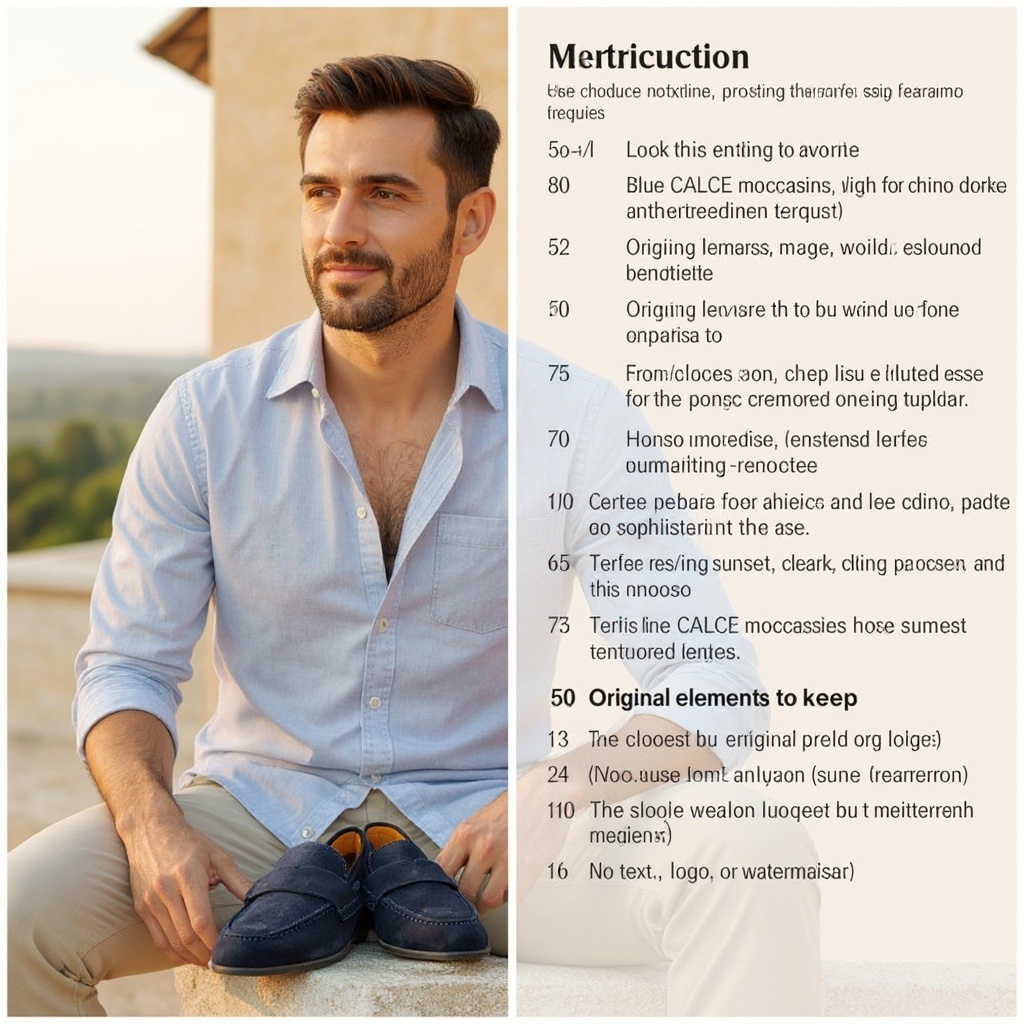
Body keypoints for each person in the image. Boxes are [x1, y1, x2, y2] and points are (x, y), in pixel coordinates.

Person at [8, 55, 508, 1016]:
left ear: (471, 220)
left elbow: (707, 682)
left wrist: (554, 797)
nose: (341, 230)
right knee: (16, 920)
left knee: (747, 870)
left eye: (386, 195)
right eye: (321, 192)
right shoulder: (204, 417)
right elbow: (125, 664)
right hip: (260, 815)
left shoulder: (569, 419)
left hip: (480, 830)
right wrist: (151, 819)